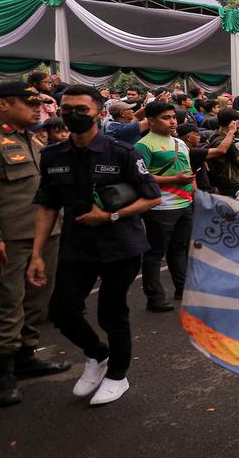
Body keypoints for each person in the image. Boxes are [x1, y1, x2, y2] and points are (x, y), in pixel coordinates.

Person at [29, 84, 162, 406]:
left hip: (121, 246)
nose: (73, 115)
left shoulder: (121, 152)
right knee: (61, 310)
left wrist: (111, 216)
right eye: (66, 110)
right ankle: (97, 354)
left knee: (111, 313)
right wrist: (36, 254)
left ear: (99, 113)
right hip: (76, 247)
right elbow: (47, 206)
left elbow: (153, 197)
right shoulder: (52, 156)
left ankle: (118, 375)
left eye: (81, 110)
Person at [0, 82, 72, 407]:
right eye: (28, 103)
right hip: (6, 240)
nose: (37, 109)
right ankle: (3, 376)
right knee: (4, 304)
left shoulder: (32, 138)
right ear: (3, 104)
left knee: (36, 301)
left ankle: (26, 358)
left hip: (43, 236)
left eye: (39, 103)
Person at [134, 101, 195, 312]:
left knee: (179, 248)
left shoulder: (180, 142)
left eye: (173, 117)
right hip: (160, 207)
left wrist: (193, 190)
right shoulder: (144, 145)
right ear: (150, 121)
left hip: (185, 203)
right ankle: (155, 298)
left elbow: (187, 169)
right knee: (154, 253)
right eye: (166, 118)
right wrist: (173, 180)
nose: (172, 121)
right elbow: (140, 177)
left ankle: (183, 288)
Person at [206, 109, 239, 198]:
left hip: (221, 181)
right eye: (237, 122)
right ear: (232, 123)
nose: (238, 125)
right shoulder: (226, 141)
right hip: (232, 183)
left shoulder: (214, 136)